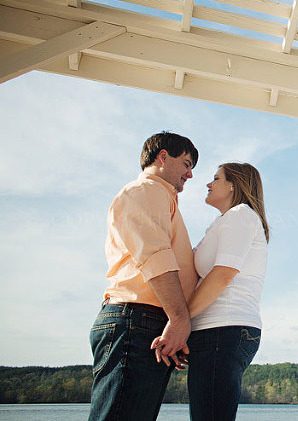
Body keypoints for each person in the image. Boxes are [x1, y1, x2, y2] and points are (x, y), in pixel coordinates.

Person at [89, 132, 199, 421]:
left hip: (145, 324)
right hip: (136, 322)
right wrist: (179, 319)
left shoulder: (160, 197)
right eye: (186, 164)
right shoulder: (147, 191)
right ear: (162, 156)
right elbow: (155, 257)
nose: (190, 174)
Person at [153, 162, 270, 421]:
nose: (208, 183)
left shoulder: (240, 215)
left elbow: (223, 274)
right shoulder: (225, 221)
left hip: (224, 330)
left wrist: (180, 322)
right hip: (215, 333)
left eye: (216, 179)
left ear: (233, 185)